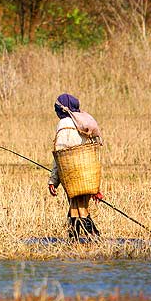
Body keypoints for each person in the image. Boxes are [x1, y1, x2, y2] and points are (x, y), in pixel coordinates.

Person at [48, 93, 102, 240]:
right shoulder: (81, 120)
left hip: (72, 173)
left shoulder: (64, 123)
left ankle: (89, 237)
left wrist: (53, 180)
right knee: (78, 206)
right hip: (88, 173)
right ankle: (78, 239)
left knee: (78, 207)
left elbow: (61, 155)